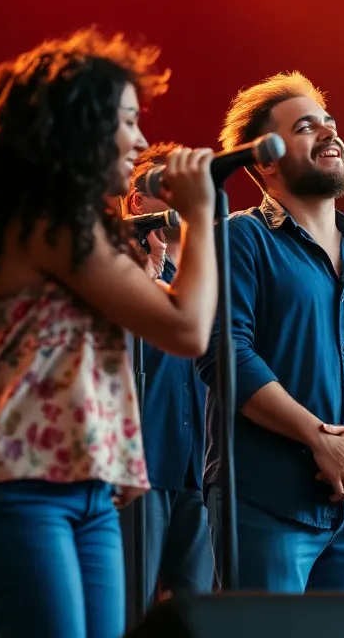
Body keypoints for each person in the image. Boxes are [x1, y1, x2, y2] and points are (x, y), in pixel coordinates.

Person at [0, 28, 218, 638]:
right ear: (78, 128)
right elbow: (187, 329)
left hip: (77, 485)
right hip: (19, 483)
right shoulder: (48, 225)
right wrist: (199, 215)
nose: (141, 141)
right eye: (128, 121)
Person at [201, 72, 344, 593]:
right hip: (267, 496)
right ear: (265, 162)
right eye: (305, 127)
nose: (329, 132)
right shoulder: (240, 238)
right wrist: (319, 439)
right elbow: (227, 353)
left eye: (329, 122)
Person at [119, 142, 214, 617]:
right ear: (139, 201)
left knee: (195, 614)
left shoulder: (206, 277)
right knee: (128, 608)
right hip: (141, 465)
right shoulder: (117, 268)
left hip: (199, 468)